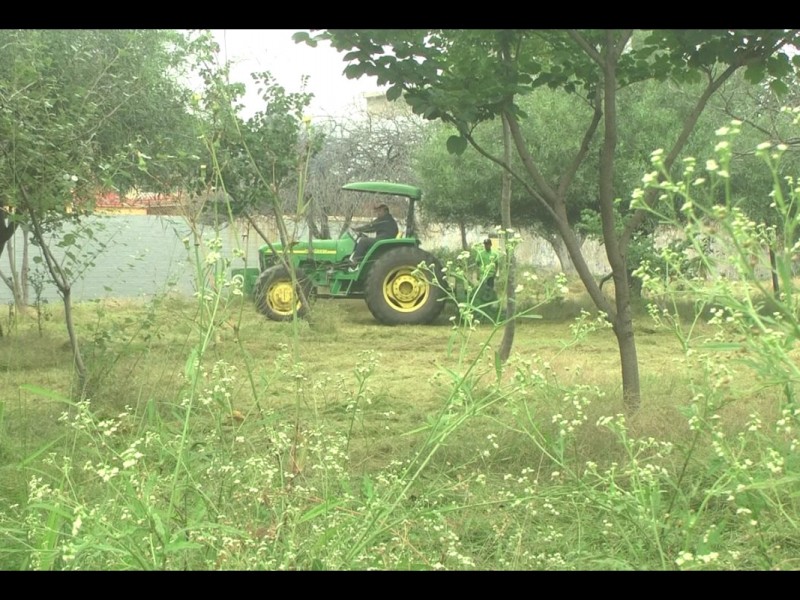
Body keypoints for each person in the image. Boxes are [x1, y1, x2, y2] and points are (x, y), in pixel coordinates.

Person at [349, 203, 399, 268]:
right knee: (365, 238)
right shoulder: (391, 220)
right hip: (385, 241)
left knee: (363, 241)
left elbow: (370, 227)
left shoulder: (383, 220)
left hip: (382, 241)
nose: (378, 213)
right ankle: (361, 261)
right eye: (377, 211)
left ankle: (355, 261)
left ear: (386, 211)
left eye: (380, 211)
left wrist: (357, 229)